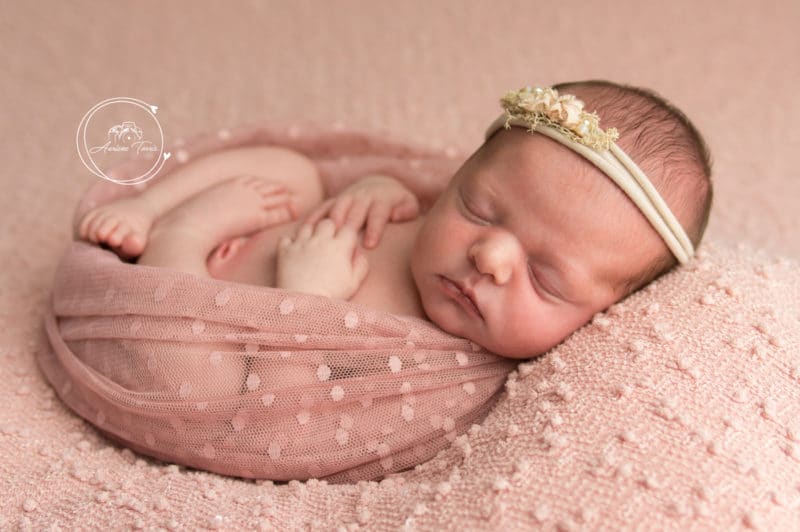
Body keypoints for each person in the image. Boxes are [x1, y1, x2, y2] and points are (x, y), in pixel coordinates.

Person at [76, 79, 713, 361]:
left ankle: (174, 231)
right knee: (292, 169)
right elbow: (399, 184)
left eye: (544, 277)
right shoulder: (423, 210)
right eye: (478, 208)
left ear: (603, 315)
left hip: (197, 306)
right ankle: (145, 206)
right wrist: (378, 187)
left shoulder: (431, 357)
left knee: (191, 361)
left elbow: (266, 390)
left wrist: (307, 299)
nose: (489, 257)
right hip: (259, 220)